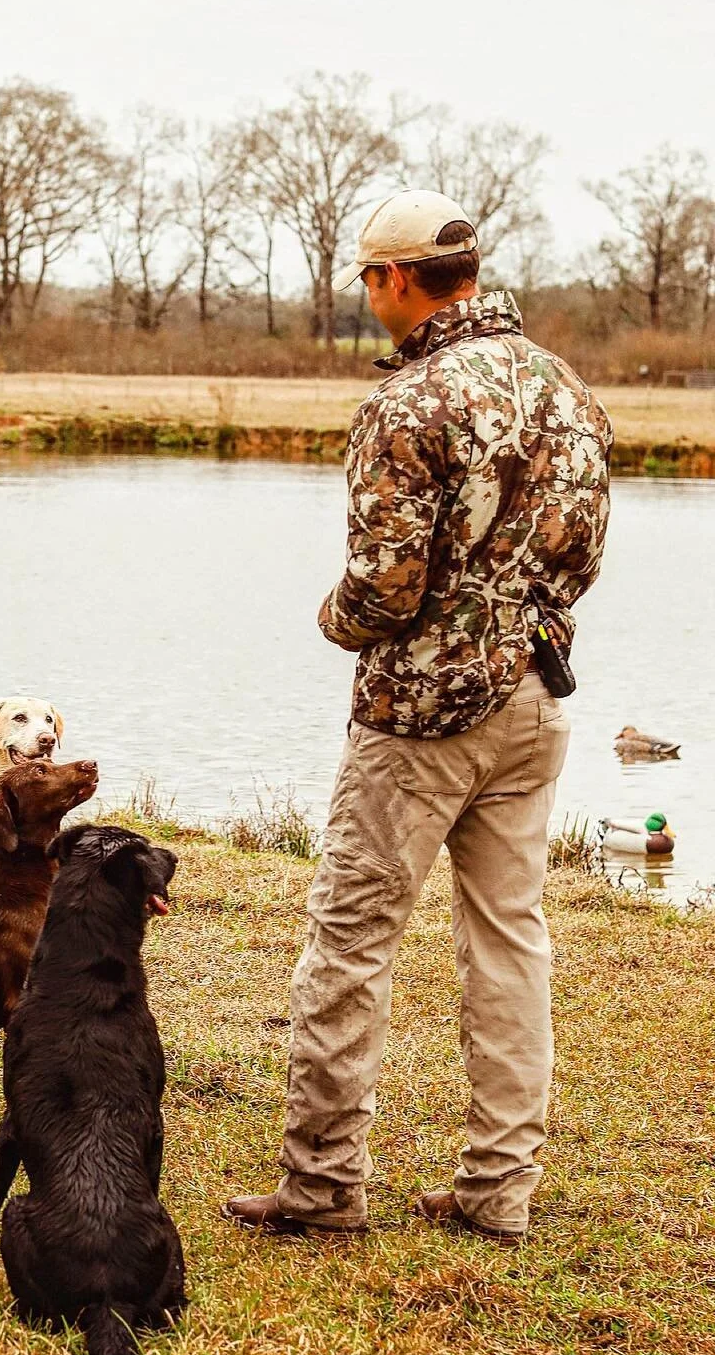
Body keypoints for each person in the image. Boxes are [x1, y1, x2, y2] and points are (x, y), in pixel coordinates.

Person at [223, 190, 612, 1245]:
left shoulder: (408, 406)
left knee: (350, 940)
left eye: (366, 282)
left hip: (424, 715)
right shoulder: (566, 389)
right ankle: (498, 1190)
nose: (368, 299)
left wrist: (332, 617)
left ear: (394, 279)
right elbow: (581, 558)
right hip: (537, 696)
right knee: (510, 940)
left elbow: (382, 592)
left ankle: (322, 1184)